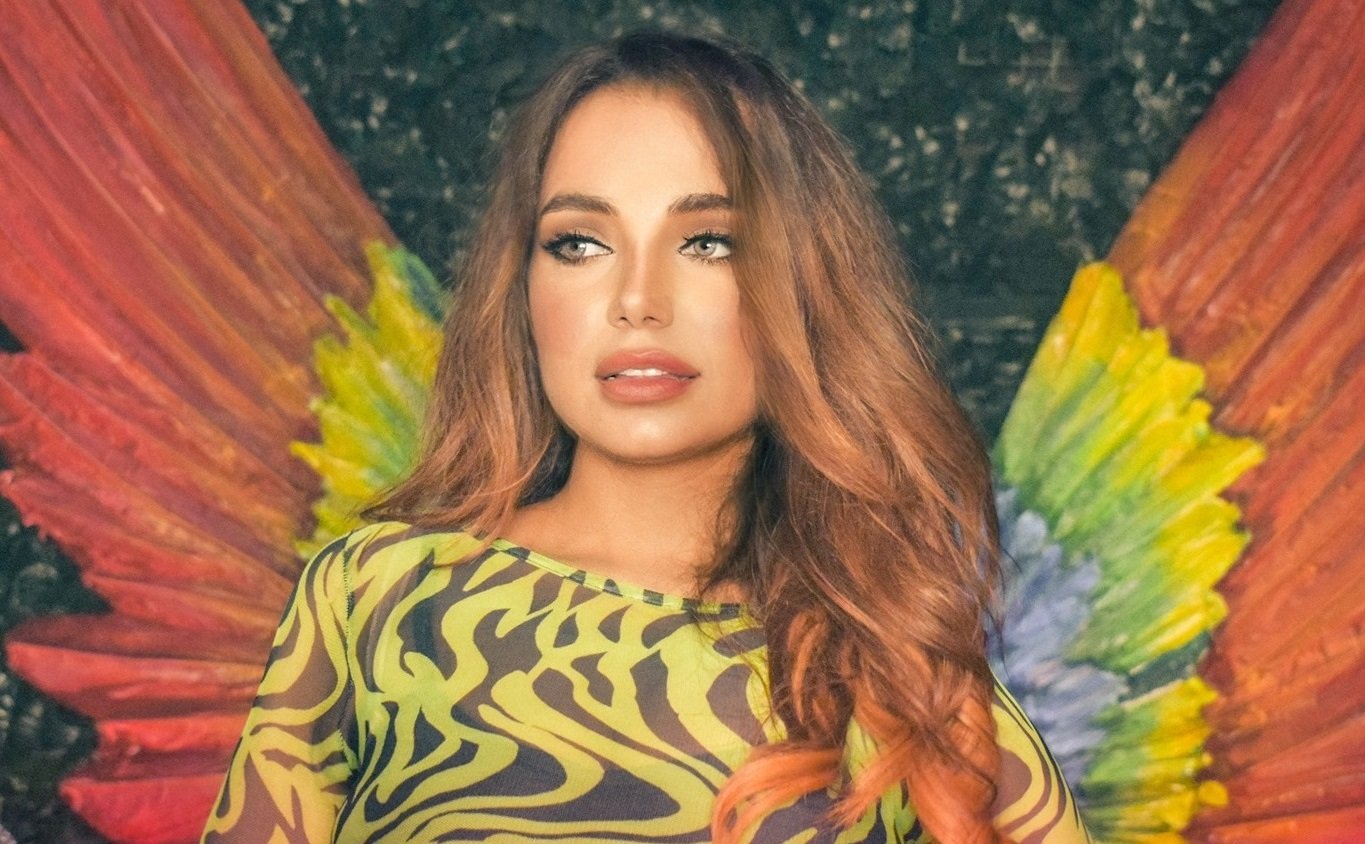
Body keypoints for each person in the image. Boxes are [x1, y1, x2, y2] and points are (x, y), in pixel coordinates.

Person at [202, 31, 1090, 844]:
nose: (637, 300)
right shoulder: (375, 598)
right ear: (521, 290)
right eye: (579, 244)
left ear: (804, 287)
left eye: (708, 242)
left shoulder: (893, 667)